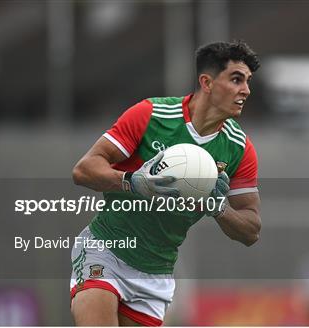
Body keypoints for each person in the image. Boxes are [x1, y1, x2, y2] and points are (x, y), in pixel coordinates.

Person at [70, 40, 262, 326]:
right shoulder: (151, 115)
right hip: (105, 249)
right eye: (236, 79)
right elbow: (84, 170)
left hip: (155, 273)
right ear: (207, 82)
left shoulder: (238, 149)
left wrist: (219, 208)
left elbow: (251, 229)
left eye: (247, 81)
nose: (245, 90)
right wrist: (132, 183)